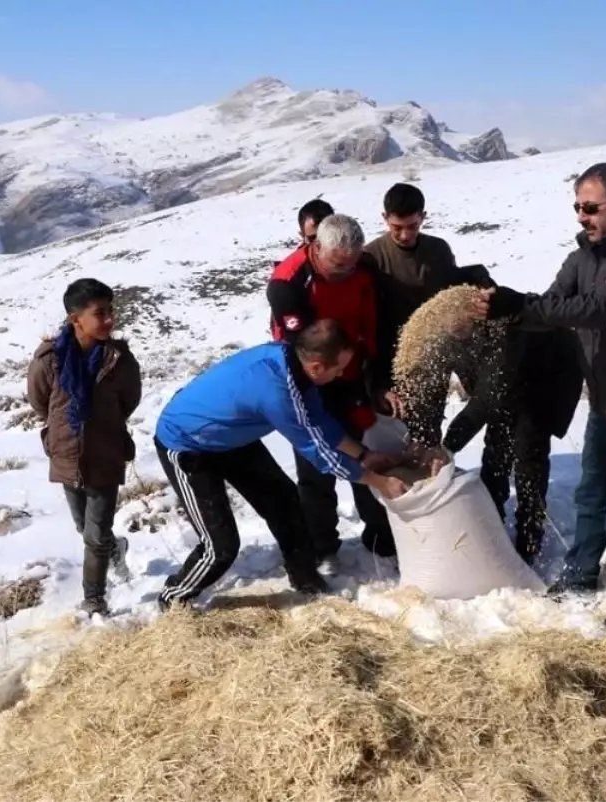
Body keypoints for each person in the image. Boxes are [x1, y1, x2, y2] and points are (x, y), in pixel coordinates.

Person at [473, 162, 606, 629]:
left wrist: (525, 304)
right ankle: (579, 576)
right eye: (577, 207)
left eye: (590, 208)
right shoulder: (582, 256)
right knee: (591, 498)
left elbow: (600, 309)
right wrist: (507, 308)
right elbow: (553, 307)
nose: (581, 217)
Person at [152, 319, 410, 611]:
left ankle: (306, 581)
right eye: (338, 367)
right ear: (316, 366)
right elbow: (320, 454)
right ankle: (174, 599)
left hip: (232, 437)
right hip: (188, 443)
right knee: (220, 547)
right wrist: (380, 482)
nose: (341, 374)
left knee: (285, 502)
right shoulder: (277, 392)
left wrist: (364, 455)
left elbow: (319, 422)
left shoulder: (296, 366)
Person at [267, 214, 396, 563]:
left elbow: (377, 323)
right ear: (317, 247)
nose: (345, 272)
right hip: (310, 382)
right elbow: (300, 346)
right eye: (338, 266)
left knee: (364, 453)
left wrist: (375, 376)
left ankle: (381, 538)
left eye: (351, 265)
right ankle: (322, 546)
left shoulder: (363, 270)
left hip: (352, 376)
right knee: (316, 468)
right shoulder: (288, 282)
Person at [26, 278, 142, 617]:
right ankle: (115, 548)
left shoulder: (119, 360)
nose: (109, 320)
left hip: (105, 454)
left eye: (111, 311)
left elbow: (128, 401)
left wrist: (102, 425)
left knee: (94, 534)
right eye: (100, 313)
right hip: (66, 454)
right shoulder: (49, 359)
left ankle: (94, 599)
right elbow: (39, 401)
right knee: (85, 527)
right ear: (75, 318)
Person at [441, 322, 583, 565]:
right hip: (506, 383)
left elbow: (486, 399)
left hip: (546, 377)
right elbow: (483, 391)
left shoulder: (503, 330)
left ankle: (530, 538)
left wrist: (446, 447)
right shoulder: (447, 336)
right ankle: (490, 528)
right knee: (496, 453)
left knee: (528, 454)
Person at [363, 181, 490, 442]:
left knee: (429, 434)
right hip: (391, 365)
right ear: (385, 218)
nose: (405, 235)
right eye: (397, 228)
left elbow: (451, 294)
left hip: (434, 359)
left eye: (413, 226)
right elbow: (366, 323)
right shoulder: (371, 258)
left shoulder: (438, 251)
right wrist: (377, 383)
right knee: (396, 441)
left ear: (423, 217)